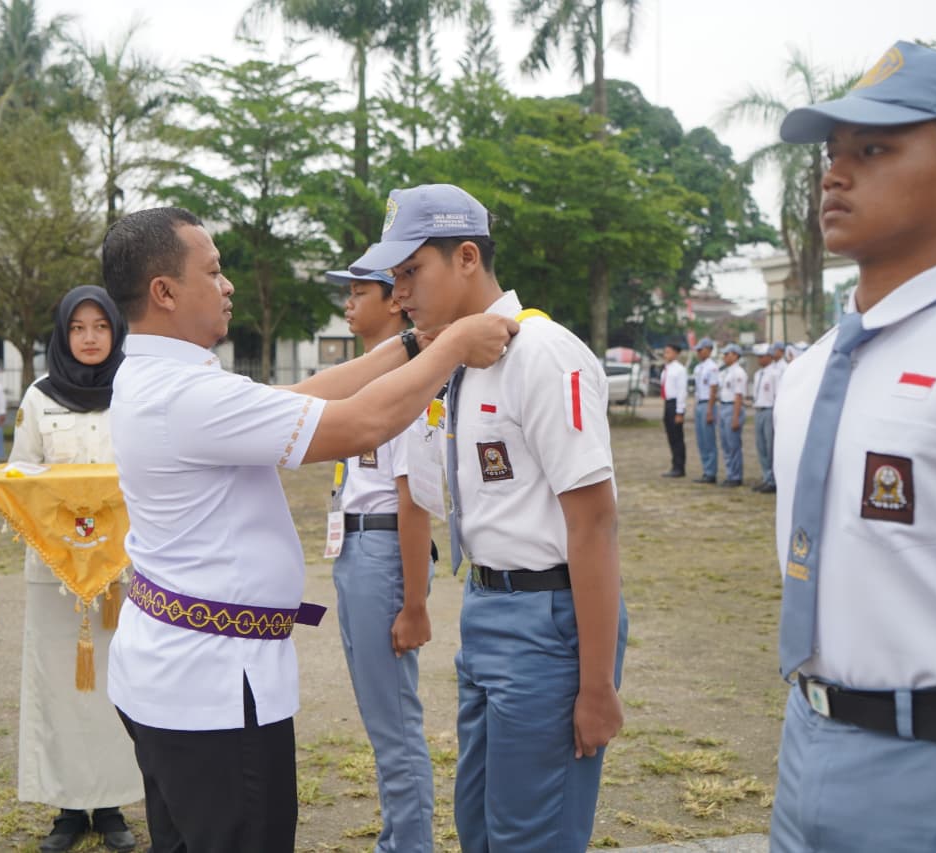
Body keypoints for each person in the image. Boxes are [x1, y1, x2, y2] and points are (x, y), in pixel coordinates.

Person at [103, 206, 515, 853]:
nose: (227, 283)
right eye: (213, 270)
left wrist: (410, 345)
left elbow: (304, 394)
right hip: (213, 691)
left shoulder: (163, 377)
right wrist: (457, 344)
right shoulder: (182, 393)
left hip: (180, 677)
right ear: (164, 291)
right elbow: (356, 424)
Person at [350, 184, 628, 852]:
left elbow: (593, 524)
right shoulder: (463, 359)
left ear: (467, 256)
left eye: (412, 272)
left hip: (546, 617)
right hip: (486, 607)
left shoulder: (542, 353)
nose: (401, 293)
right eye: (393, 279)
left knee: (530, 835)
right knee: (479, 824)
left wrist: (596, 685)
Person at [770, 41, 936, 851]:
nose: (834, 174)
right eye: (833, 155)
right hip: (805, 740)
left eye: (873, 149)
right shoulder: (806, 370)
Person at [8, 286, 142, 853]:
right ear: (62, 337)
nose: (89, 338)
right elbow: (20, 475)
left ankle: (111, 806)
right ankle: (67, 808)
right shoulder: (39, 398)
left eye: (100, 327)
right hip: (56, 569)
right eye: (77, 329)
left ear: (116, 332)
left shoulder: (133, 391)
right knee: (61, 684)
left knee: (117, 684)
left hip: (121, 570)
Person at [323, 267, 435, 852]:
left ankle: (409, 845)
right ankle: (399, 836)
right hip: (358, 544)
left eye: (359, 292)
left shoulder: (406, 383)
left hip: (383, 547)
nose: (349, 302)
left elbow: (414, 500)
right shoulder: (374, 379)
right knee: (380, 714)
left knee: (393, 722)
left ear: (395, 303)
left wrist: (414, 603)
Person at [715, 343, 746, 488]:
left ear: (735, 355)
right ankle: (730, 473)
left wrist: (736, 417)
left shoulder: (738, 373)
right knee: (726, 444)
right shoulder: (726, 372)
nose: (724, 357)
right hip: (724, 406)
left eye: (727, 354)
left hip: (733, 407)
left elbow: (738, 396)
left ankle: (736, 476)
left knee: (734, 445)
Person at [691, 338, 720, 483]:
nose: (698, 353)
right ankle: (705, 469)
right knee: (701, 439)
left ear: (709, 350)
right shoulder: (698, 368)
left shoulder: (712, 367)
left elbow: (713, 389)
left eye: (700, 350)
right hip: (700, 404)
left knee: (709, 440)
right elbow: (697, 390)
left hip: (708, 404)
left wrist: (710, 410)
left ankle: (711, 472)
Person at [751, 346, 778, 493]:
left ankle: (773, 479)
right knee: (761, 446)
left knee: (770, 447)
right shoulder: (758, 374)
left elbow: (778, 395)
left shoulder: (775, 373)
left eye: (762, 356)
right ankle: (766, 477)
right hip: (759, 409)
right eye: (758, 356)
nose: (759, 359)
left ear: (770, 356)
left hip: (770, 410)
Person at [659, 341, 688, 478]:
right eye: (665, 352)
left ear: (676, 353)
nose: (666, 354)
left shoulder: (679, 369)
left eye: (668, 352)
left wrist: (680, 411)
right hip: (668, 403)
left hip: (675, 404)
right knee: (671, 436)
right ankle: (674, 464)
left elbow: (682, 391)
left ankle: (679, 466)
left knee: (677, 437)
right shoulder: (667, 368)